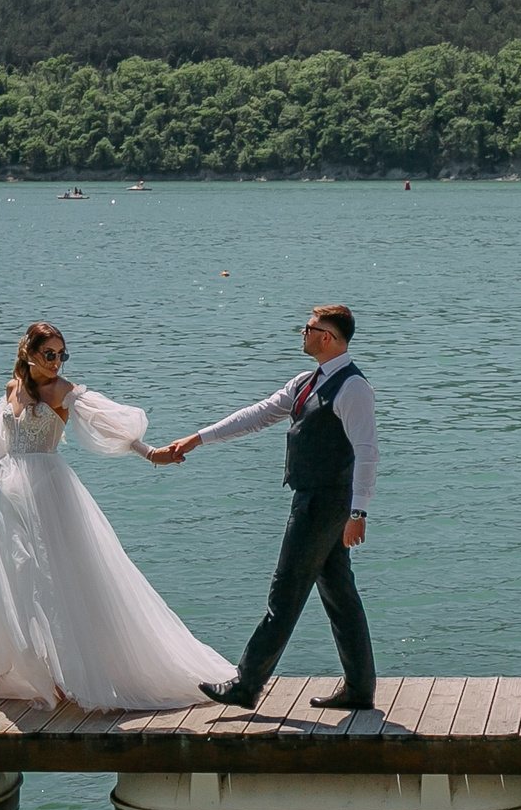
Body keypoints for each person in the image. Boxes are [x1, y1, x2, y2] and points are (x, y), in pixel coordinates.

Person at [0, 321, 231, 709]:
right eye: (49, 353)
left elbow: (109, 423)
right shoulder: (13, 388)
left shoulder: (62, 391)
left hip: (48, 492)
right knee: (12, 575)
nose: (56, 362)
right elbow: (1, 437)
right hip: (7, 495)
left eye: (62, 354)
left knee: (61, 578)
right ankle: (28, 670)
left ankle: (73, 673)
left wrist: (152, 453)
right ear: (28, 352)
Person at [159, 305, 377, 711]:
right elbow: (257, 415)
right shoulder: (306, 382)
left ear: (326, 337)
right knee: (340, 595)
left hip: (324, 504)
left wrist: (357, 513)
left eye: (309, 328)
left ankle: (247, 683)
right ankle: (360, 689)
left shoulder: (352, 388)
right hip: (313, 499)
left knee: (286, 591)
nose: (303, 332)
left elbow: (367, 453)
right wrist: (198, 438)